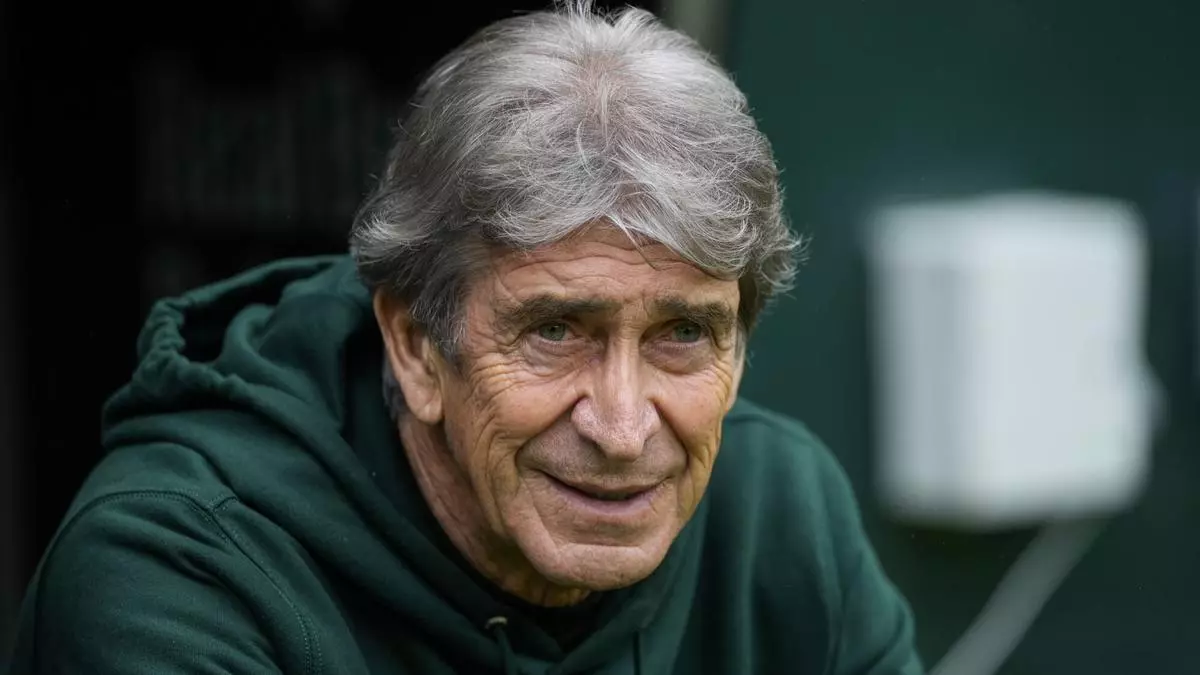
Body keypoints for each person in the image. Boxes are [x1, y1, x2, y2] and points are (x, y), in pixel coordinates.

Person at [4, 2, 922, 673]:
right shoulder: (176, 573)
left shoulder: (781, 515)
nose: (622, 427)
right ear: (414, 345)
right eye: (555, 330)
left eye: (683, 333)